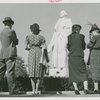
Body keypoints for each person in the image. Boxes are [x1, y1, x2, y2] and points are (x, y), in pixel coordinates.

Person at [67, 24, 91, 95]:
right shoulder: (81, 36)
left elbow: (68, 47)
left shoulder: (69, 37)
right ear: (78, 30)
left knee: (73, 73)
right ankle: (86, 89)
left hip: (72, 57)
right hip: (79, 56)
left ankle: (76, 89)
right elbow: (83, 47)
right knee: (83, 72)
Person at [48, 10, 72, 78]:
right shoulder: (58, 21)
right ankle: (55, 65)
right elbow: (55, 31)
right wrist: (51, 42)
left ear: (65, 14)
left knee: (62, 50)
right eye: (60, 12)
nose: (60, 13)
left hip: (63, 37)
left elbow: (69, 30)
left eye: (62, 12)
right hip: (56, 37)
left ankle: (62, 65)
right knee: (55, 51)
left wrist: (64, 35)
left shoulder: (68, 20)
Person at [25, 23, 48, 94]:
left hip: (31, 53)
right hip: (39, 53)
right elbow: (45, 47)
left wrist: (31, 48)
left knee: (32, 72)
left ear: (32, 29)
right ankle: (37, 90)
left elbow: (26, 47)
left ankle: (33, 90)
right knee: (38, 72)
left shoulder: (28, 36)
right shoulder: (42, 37)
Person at [0, 17, 19, 95]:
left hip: (2, 54)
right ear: (10, 24)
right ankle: (12, 90)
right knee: (10, 72)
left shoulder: (1, 32)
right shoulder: (12, 31)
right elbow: (16, 41)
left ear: (4, 23)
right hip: (10, 54)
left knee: (0, 73)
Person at [87, 24, 100, 94]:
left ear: (94, 31)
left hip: (94, 54)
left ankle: (96, 88)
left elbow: (89, 45)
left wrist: (90, 38)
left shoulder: (95, 37)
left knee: (94, 71)